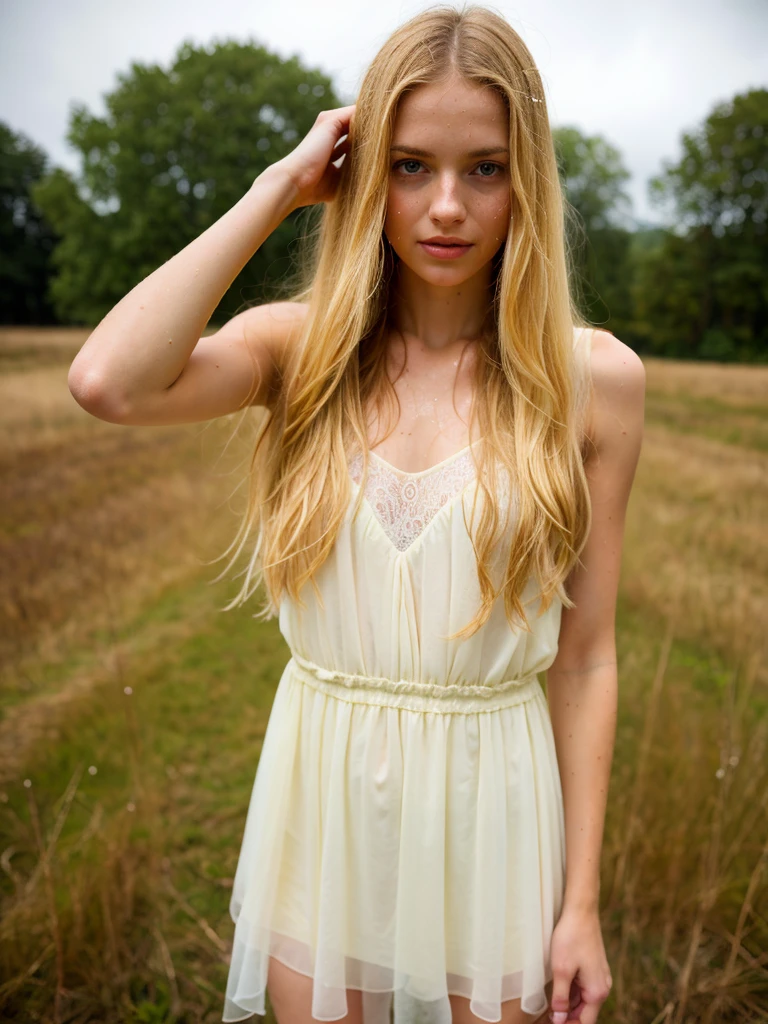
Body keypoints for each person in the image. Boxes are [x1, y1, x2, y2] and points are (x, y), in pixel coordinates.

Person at [68, 5, 645, 1024]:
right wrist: (277, 187)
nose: (447, 207)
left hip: (494, 816)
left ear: (529, 182)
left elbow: (589, 655)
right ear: (363, 167)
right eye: (411, 165)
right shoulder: (300, 352)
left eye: (486, 168)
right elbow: (109, 379)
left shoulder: (592, 380)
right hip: (322, 805)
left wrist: (581, 902)